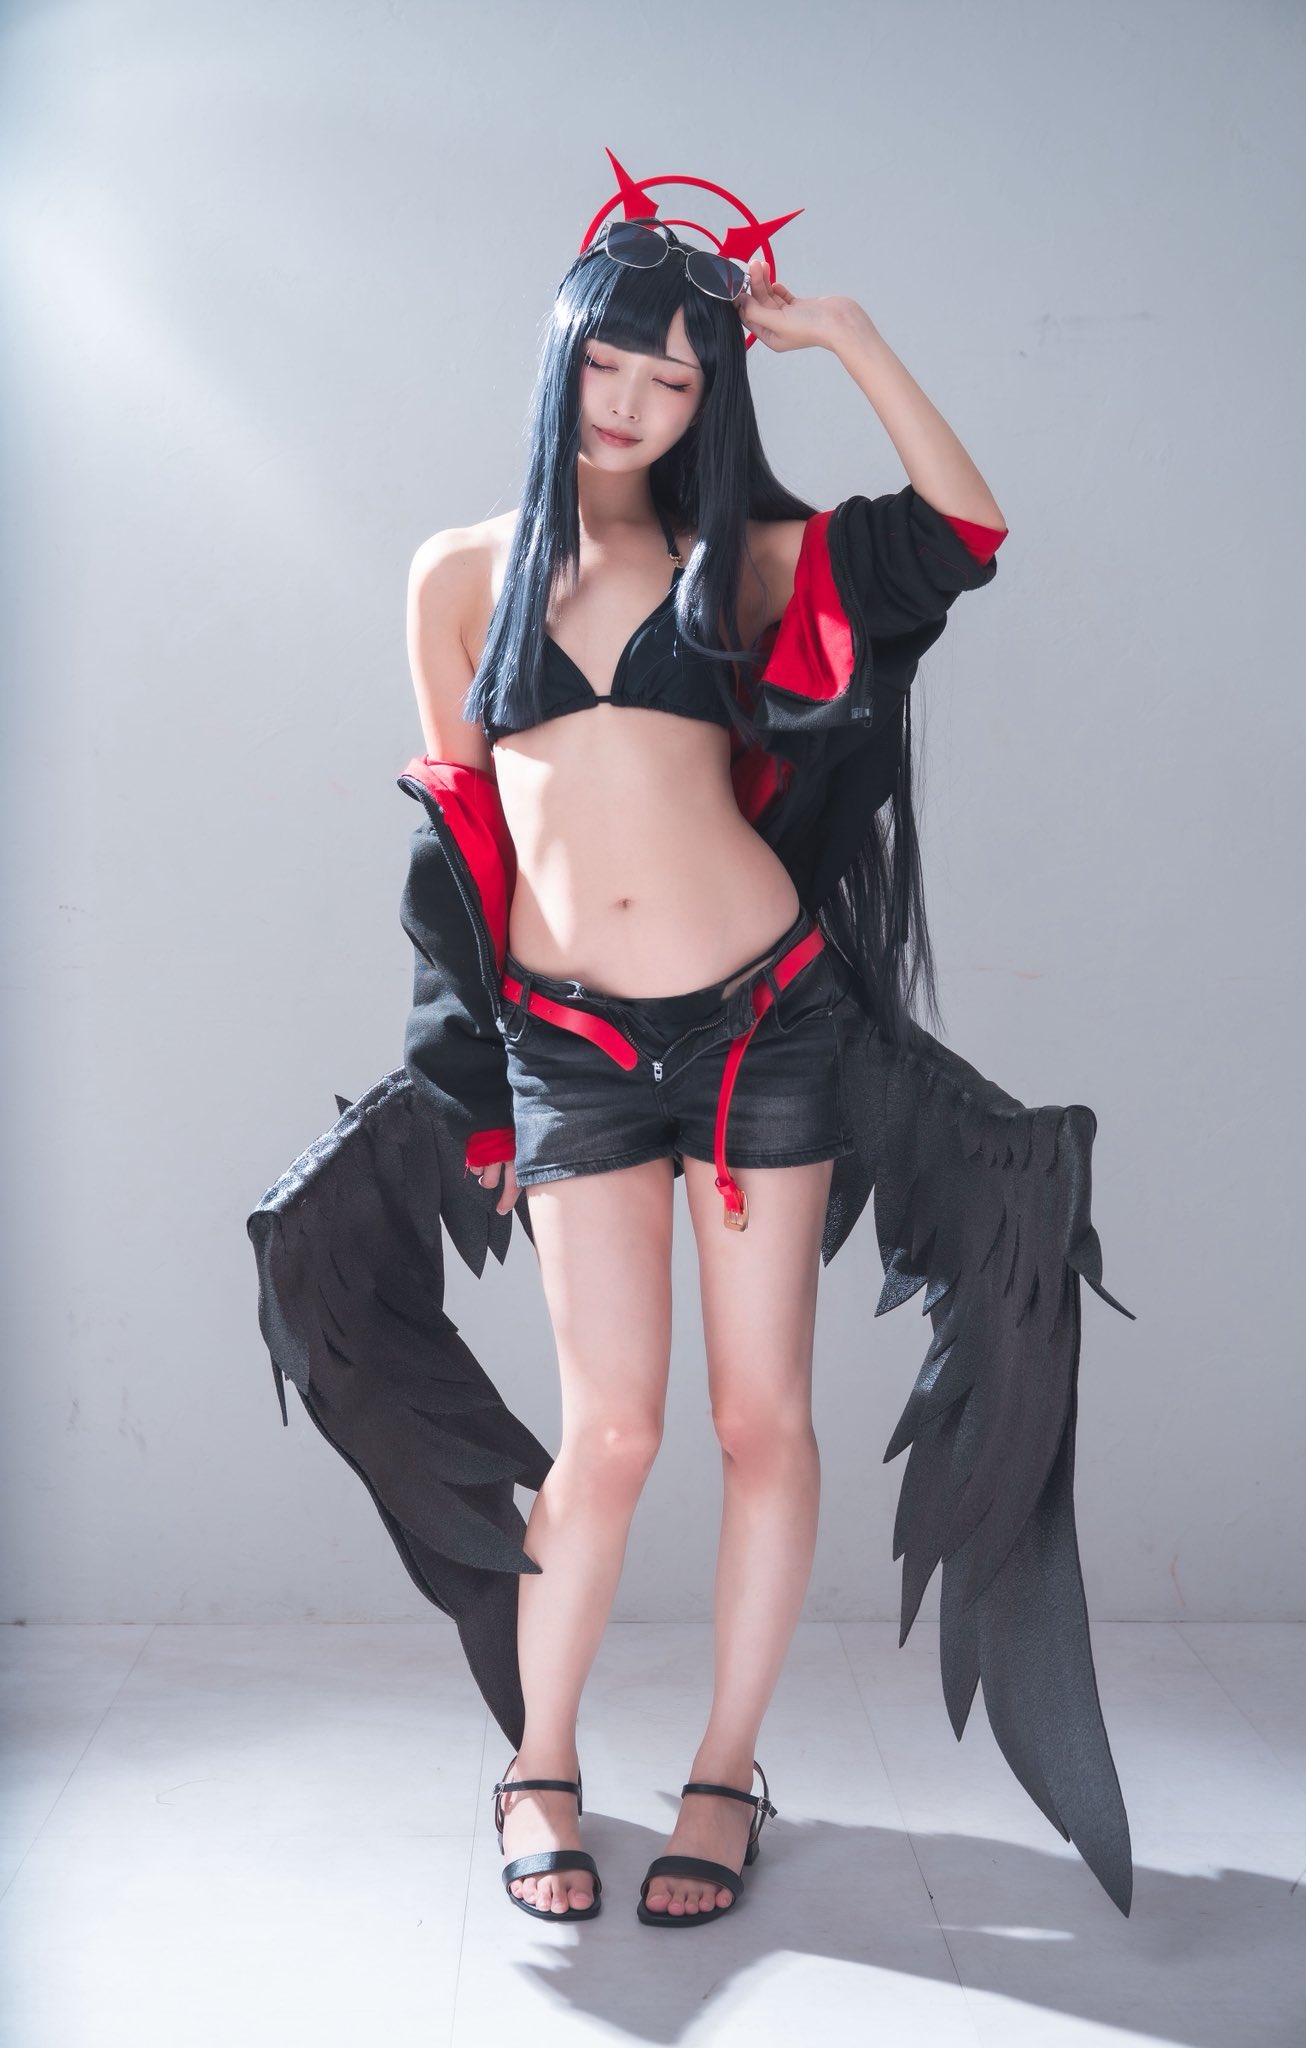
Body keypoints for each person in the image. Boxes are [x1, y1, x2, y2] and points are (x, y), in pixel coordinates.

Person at [248, 167, 1136, 1933]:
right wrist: (476, 1092)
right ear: (560, 354)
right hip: (569, 1048)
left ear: (708, 398)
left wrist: (847, 338)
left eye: (675, 379)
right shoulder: (458, 574)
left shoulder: (742, 561)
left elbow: (962, 531)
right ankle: (538, 1765)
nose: (634, 404)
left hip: (759, 1026)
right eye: (610, 365)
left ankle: (726, 1772)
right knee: (611, 1434)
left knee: (756, 1421)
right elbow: (465, 850)